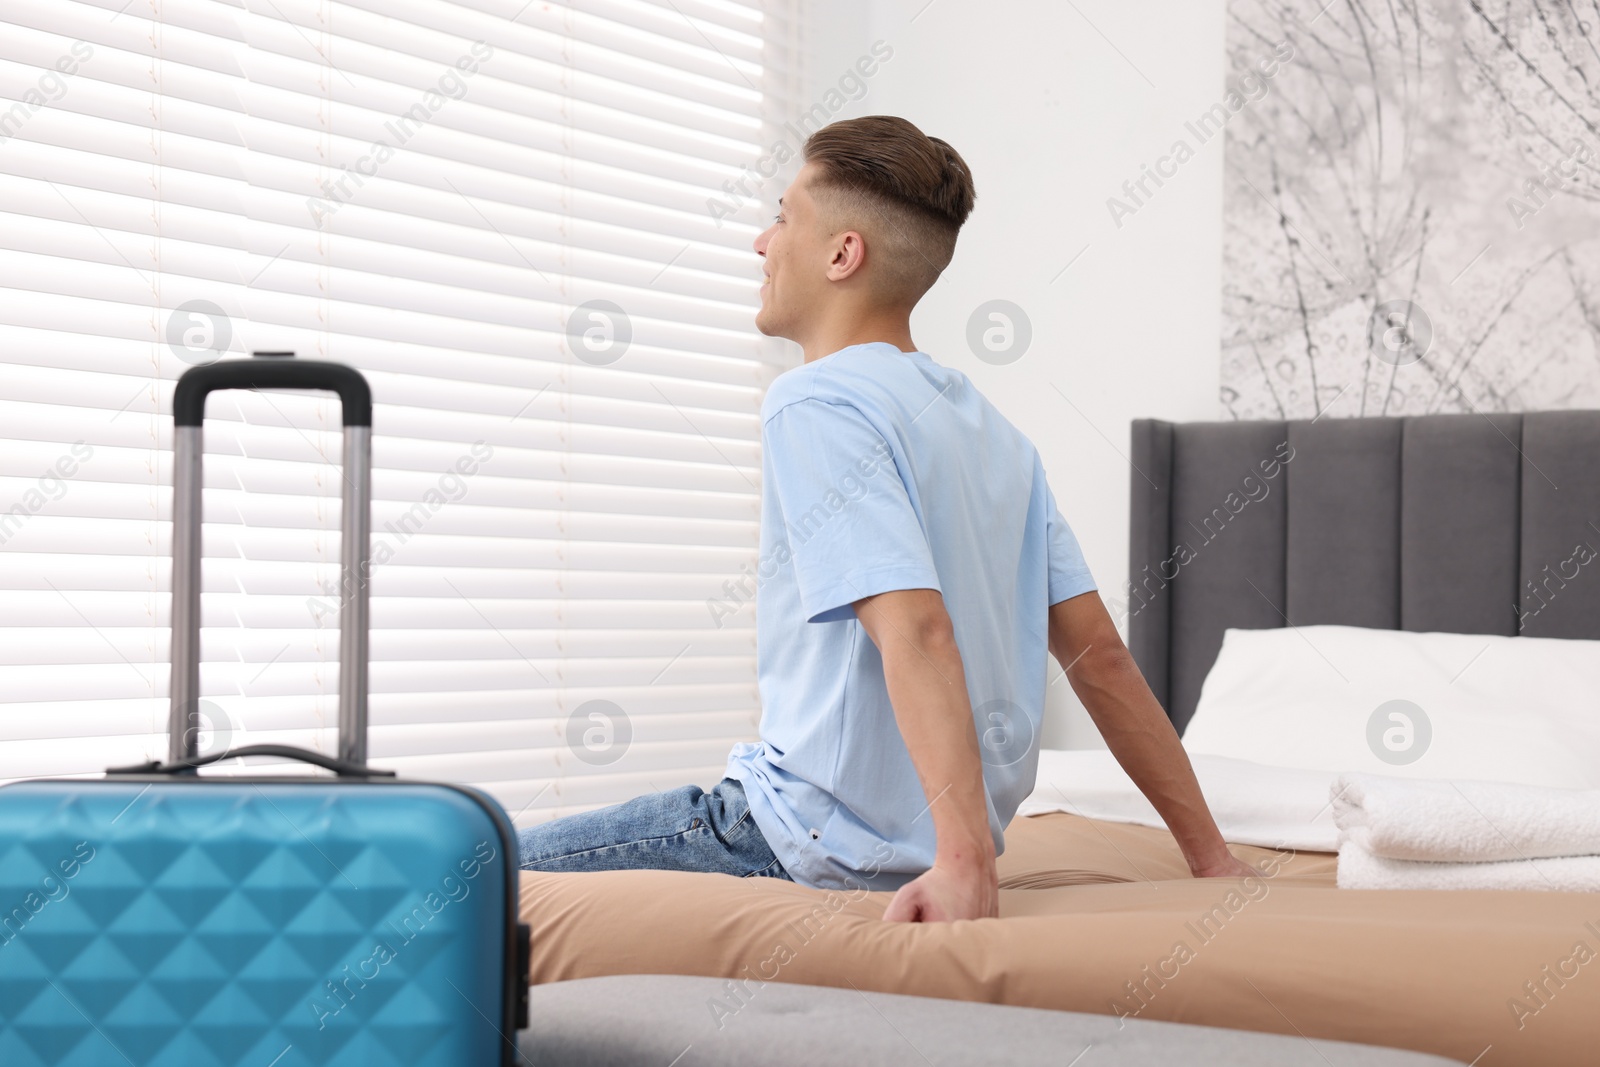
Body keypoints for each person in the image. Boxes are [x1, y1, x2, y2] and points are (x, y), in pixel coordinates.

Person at [517, 115, 1256, 921]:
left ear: (842, 253)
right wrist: (1212, 859)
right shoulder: (999, 437)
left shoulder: (816, 399)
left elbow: (915, 627)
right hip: (908, 847)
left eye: (781, 216)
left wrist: (966, 863)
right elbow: (1103, 659)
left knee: (456, 863)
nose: (761, 244)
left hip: (792, 841)